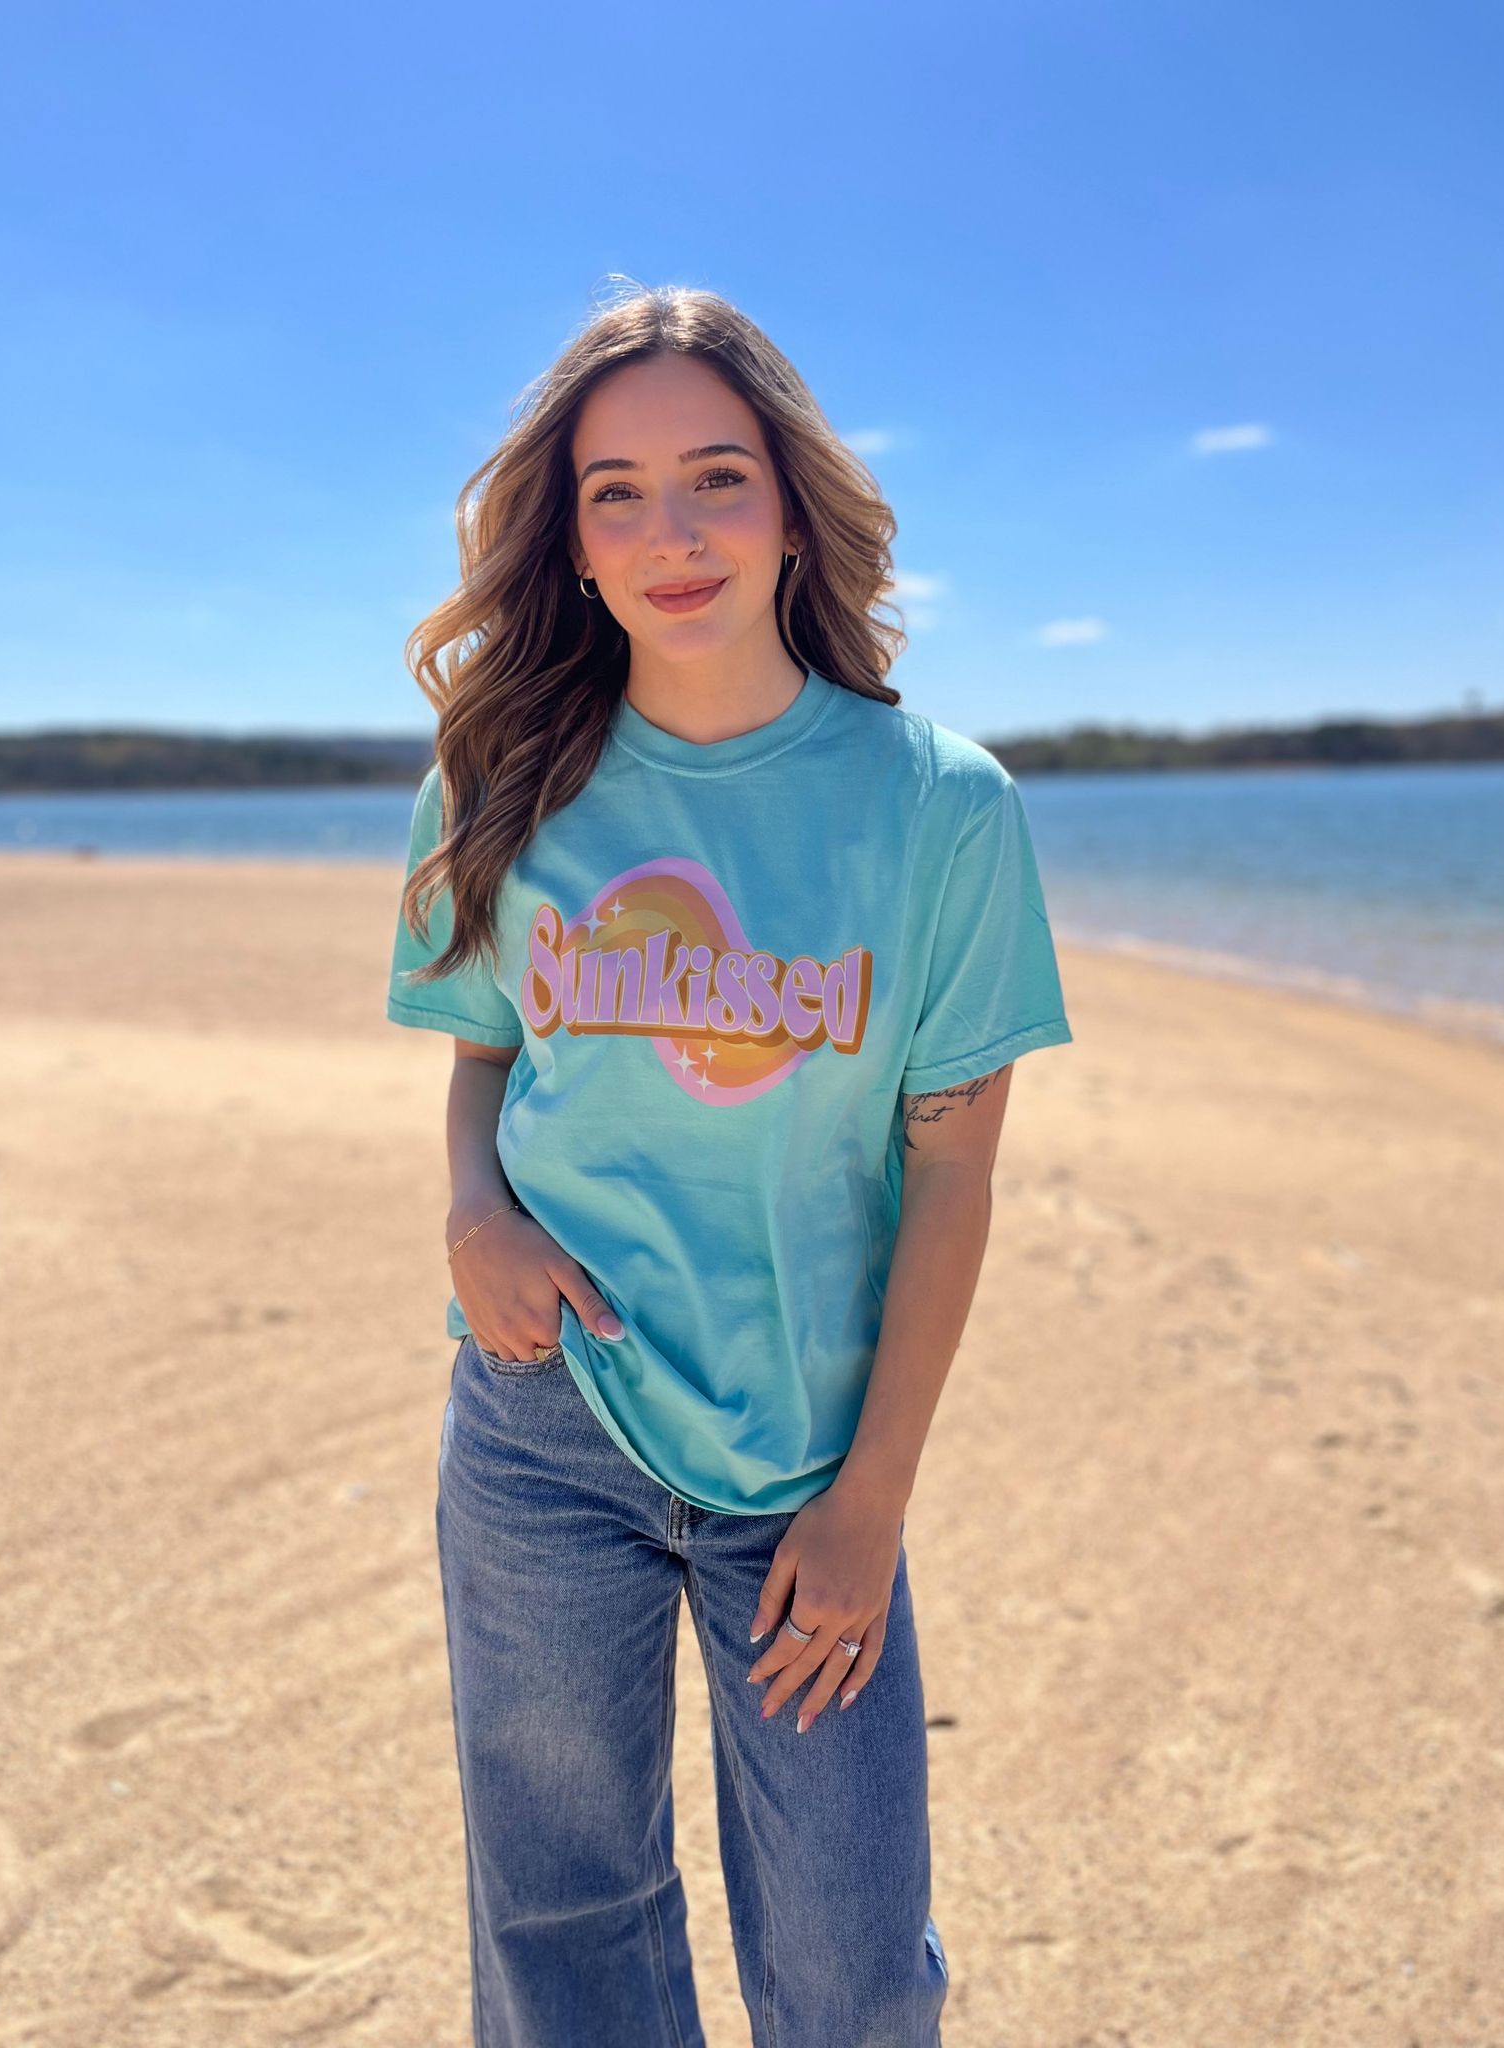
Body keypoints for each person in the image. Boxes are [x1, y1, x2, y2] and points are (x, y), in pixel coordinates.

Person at [385, 280, 1074, 2048]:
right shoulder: (498, 776)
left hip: (808, 1463)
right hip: (546, 1428)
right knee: (565, 1919)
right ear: (575, 540)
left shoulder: (941, 807)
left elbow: (958, 1175)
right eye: (615, 492)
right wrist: (473, 1211)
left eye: (715, 476)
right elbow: (484, 1052)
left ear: (789, 507)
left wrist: (872, 1504)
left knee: (851, 1973)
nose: (668, 531)